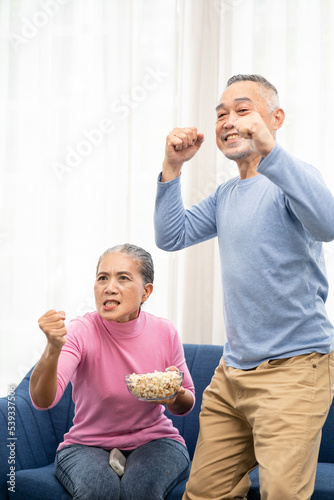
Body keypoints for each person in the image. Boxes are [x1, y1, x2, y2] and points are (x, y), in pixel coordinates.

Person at [154, 74, 334, 500]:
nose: (228, 121)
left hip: (293, 371)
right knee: (204, 493)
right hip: (231, 375)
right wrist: (173, 166)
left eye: (242, 109)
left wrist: (271, 150)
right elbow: (170, 235)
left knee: (281, 495)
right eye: (220, 114)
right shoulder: (225, 196)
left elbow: (327, 225)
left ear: (276, 118)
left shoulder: (292, 179)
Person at [29, 243, 195, 500]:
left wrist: (174, 394)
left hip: (156, 441)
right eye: (102, 278)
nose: (109, 287)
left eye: (123, 278)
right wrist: (52, 348)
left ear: (146, 292)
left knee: (140, 490)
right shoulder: (80, 331)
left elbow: (186, 403)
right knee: (98, 490)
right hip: (86, 444)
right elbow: (43, 401)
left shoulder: (165, 332)